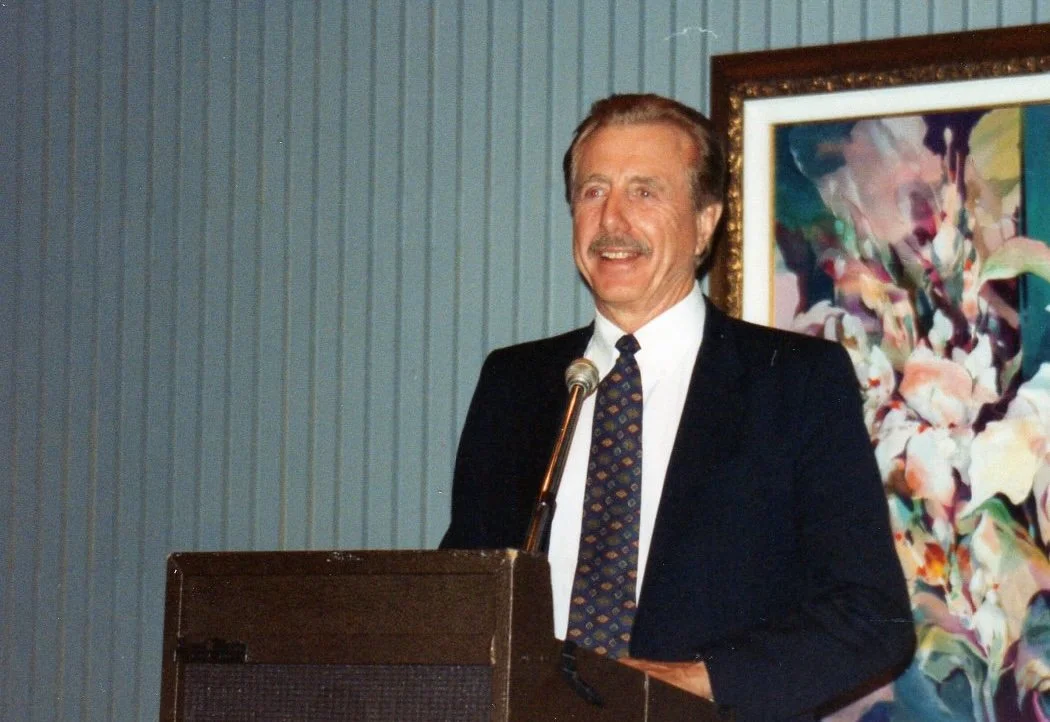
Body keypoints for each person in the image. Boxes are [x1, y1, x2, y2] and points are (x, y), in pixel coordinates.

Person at [440, 93, 914, 720]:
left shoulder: (794, 383)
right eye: (592, 191)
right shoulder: (515, 383)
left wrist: (699, 679)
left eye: (644, 192)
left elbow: (870, 617)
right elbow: (462, 596)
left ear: (706, 220)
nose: (612, 220)